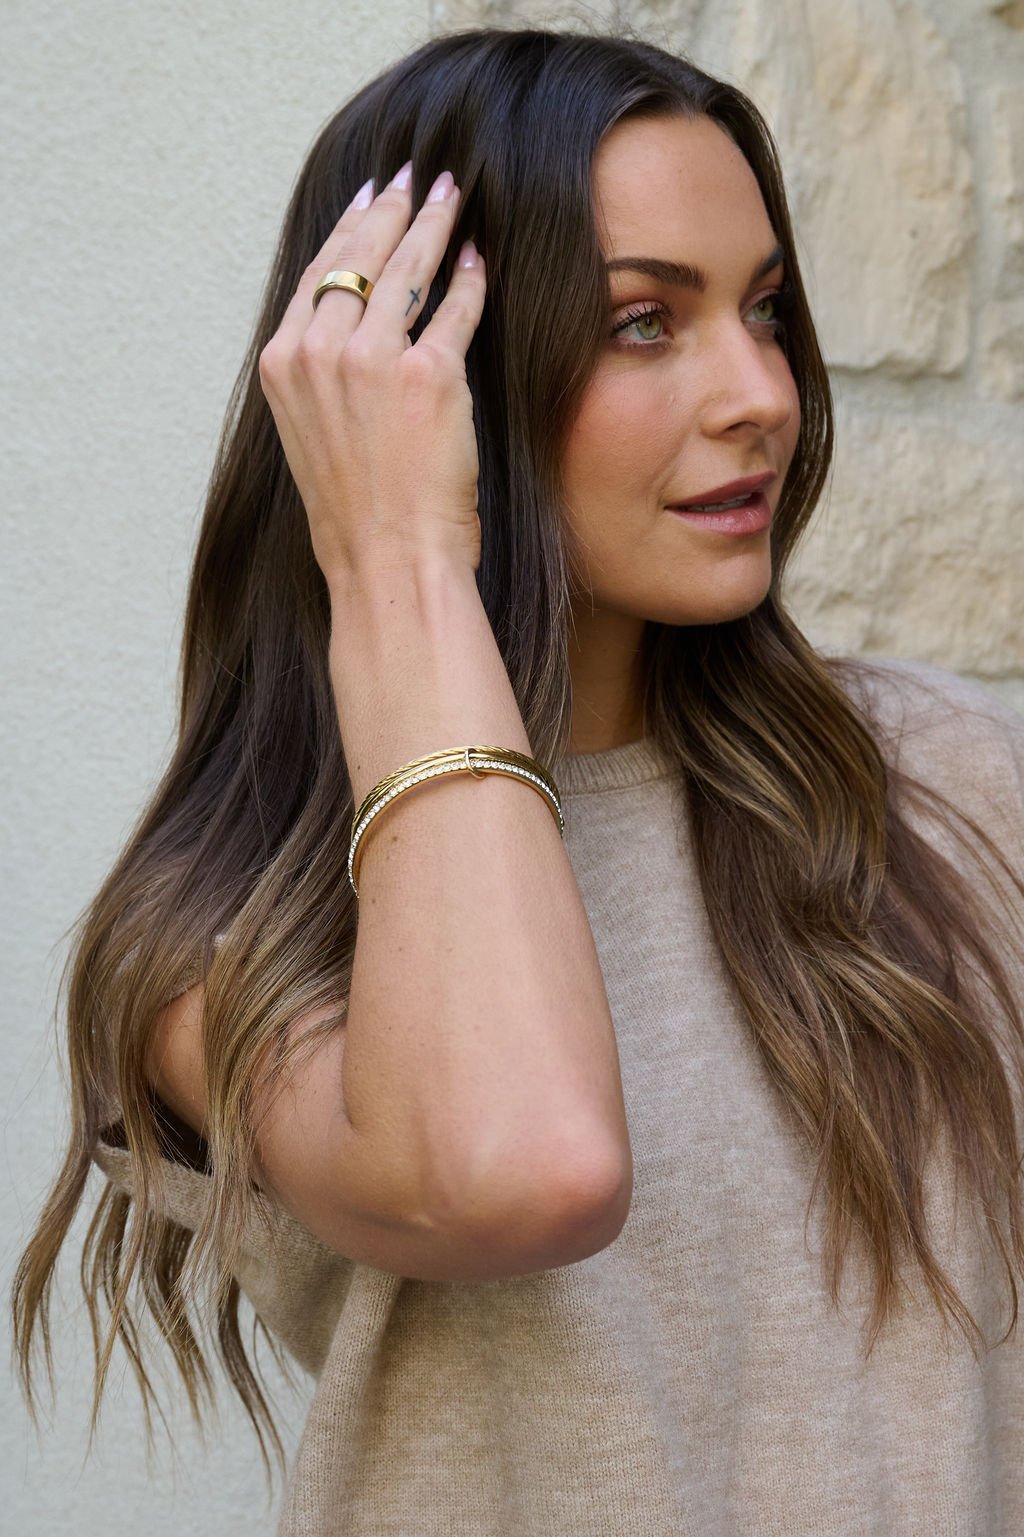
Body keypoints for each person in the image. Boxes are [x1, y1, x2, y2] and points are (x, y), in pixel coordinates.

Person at [12, 24, 1024, 1536]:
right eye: (641, 323)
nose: (761, 391)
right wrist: (402, 552)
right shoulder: (231, 945)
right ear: (431, 377)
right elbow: (524, 1167)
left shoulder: (945, 779)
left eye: (764, 310)